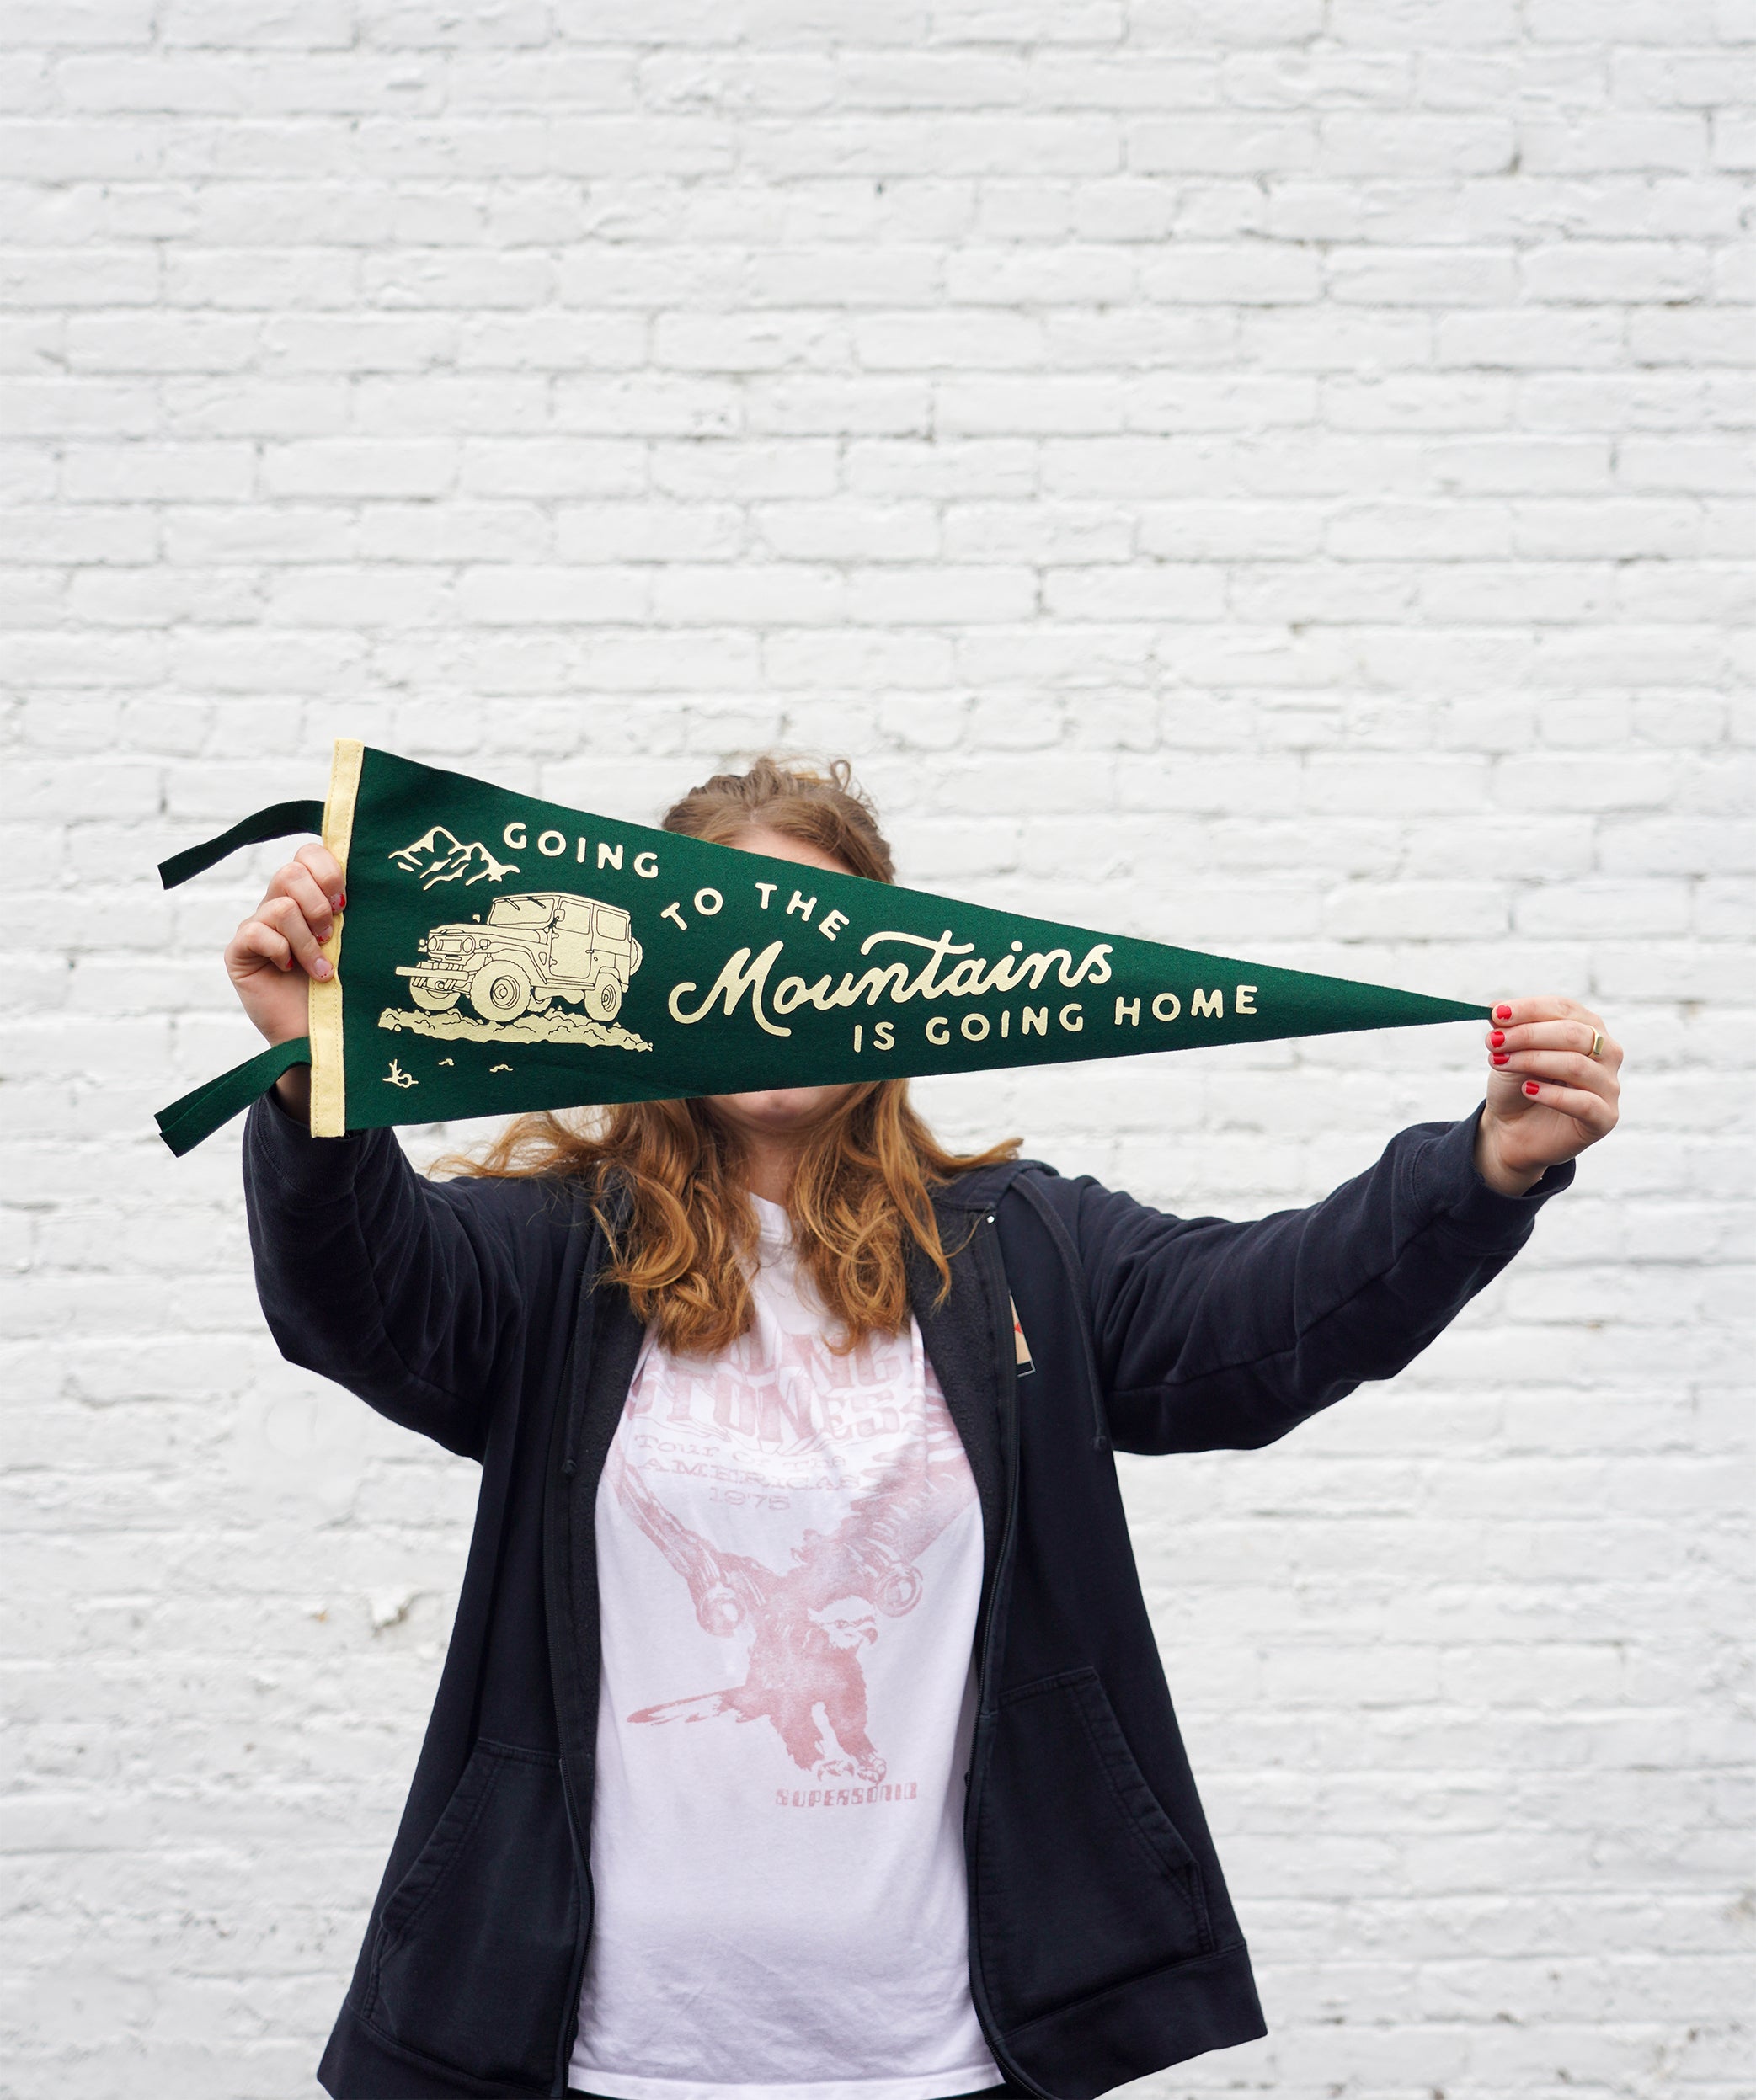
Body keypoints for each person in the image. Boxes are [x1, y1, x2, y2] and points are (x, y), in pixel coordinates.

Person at [229, 756, 1621, 2100]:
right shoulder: (547, 1257)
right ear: (653, 979)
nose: (769, 978)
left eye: (816, 940)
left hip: (947, 2055)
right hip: (601, 2052)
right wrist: (311, 1071)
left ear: (894, 983)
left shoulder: (1022, 1249)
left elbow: (1265, 1318)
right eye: (727, 937)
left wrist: (1481, 1167)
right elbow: (361, 1296)